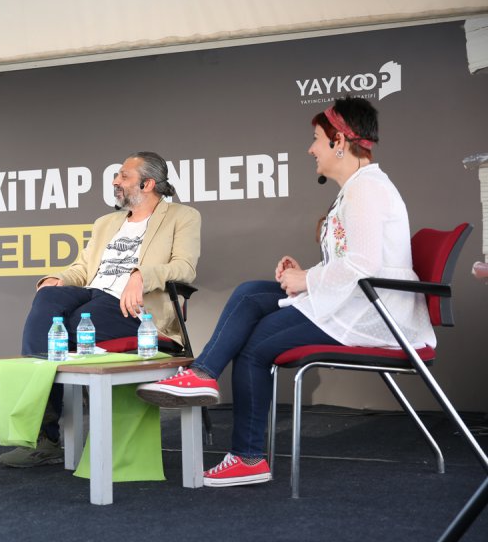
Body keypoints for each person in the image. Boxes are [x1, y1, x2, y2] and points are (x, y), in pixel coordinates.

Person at [136, 96, 435, 487]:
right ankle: (202, 375)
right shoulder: (357, 187)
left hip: (371, 313)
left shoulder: (366, 190)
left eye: (316, 139)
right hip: (354, 301)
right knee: (250, 294)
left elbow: (363, 265)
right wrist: (306, 273)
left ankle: (247, 456)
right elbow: (352, 261)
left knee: (255, 345)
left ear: (339, 142)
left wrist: (307, 281)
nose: (311, 149)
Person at [0, 151, 201, 467]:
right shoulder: (106, 222)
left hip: (136, 311)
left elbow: (185, 268)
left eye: (123, 176)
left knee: (73, 323)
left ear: (147, 183)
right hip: (93, 295)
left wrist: (142, 275)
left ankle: (46, 435)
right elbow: (82, 268)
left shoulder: (182, 216)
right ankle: (43, 436)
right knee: (47, 300)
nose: (115, 180)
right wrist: (58, 279)